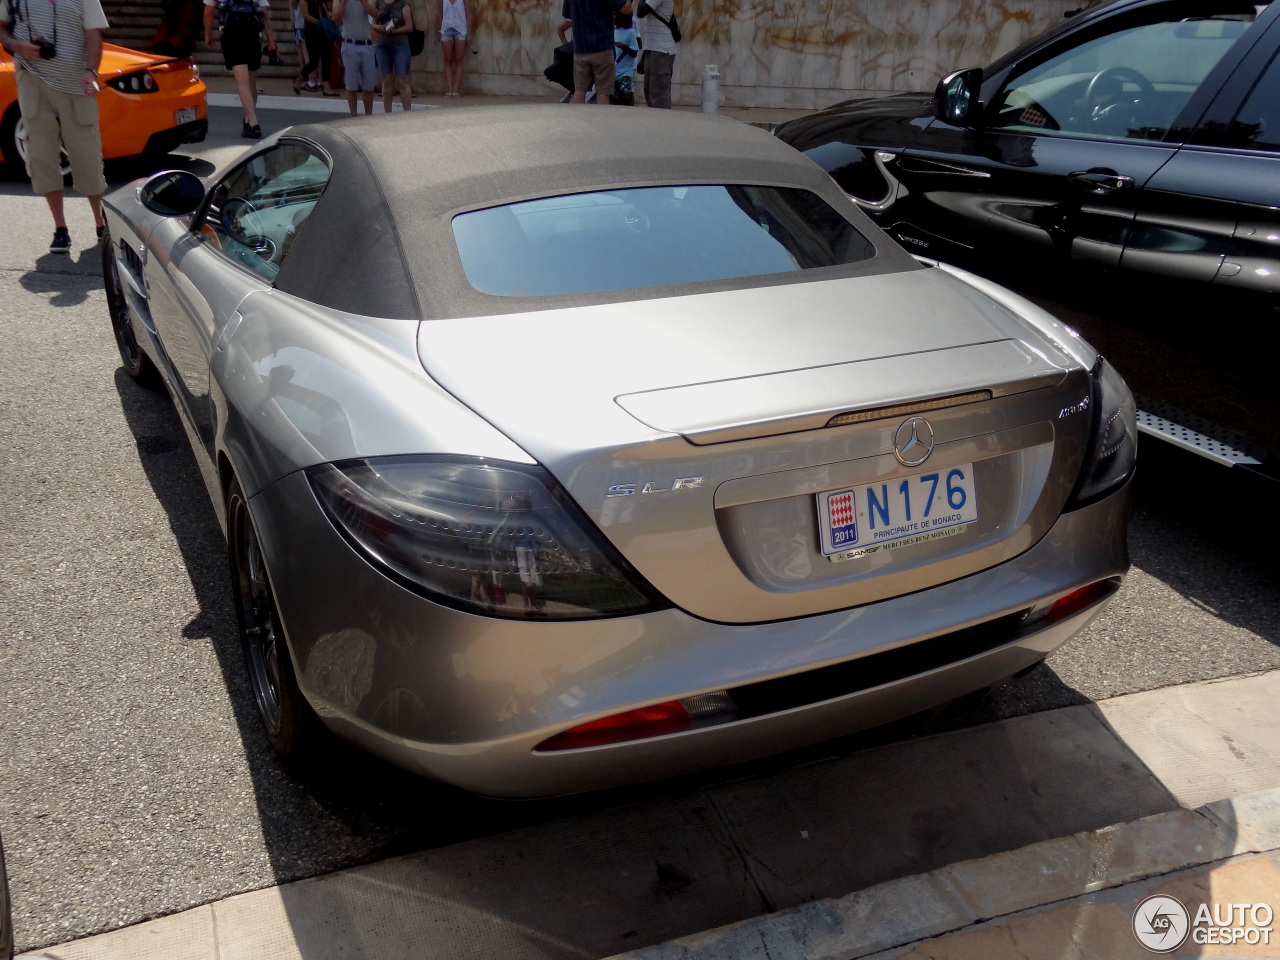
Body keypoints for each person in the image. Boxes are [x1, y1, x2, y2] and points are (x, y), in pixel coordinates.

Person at [0, 0, 109, 252]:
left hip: (76, 85)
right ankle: (60, 229)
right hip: (32, 82)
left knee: (87, 154)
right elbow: (2, 29)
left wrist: (91, 71)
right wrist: (18, 46)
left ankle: (101, 224)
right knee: (41, 155)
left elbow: (93, 34)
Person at [203, 0, 277, 137]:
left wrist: (208, 34)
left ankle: (253, 122)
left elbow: (209, 11)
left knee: (242, 81)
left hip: (232, 35)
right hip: (253, 35)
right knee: (251, 81)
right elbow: (264, 13)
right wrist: (271, 41)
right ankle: (249, 119)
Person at [561, 0, 629, 105]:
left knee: (579, 90)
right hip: (603, 47)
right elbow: (626, 9)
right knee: (602, 92)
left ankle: (576, 119)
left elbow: (567, 14)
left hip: (580, 48)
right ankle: (601, 121)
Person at [336, 0, 377, 115]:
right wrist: (343, 3)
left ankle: (368, 116)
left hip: (367, 44)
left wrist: (363, 2)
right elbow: (335, 18)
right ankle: (354, 116)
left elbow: (375, 14)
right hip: (349, 44)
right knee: (351, 85)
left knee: (369, 86)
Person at [373, 0, 412, 112]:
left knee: (403, 80)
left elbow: (409, 27)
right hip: (383, 44)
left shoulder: (403, 3)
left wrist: (393, 31)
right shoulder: (378, 2)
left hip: (400, 44)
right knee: (386, 81)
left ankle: (407, 113)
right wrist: (379, 27)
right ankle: (387, 114)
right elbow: (373, 23)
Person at [635, 0, 675, 108]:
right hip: (653, 48)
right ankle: (656, 123)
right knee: (650, 94)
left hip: (662, 49)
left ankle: (664, 123)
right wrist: (645, 53)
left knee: (659, 97)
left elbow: (640, 11)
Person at [294, 0, 334, 95]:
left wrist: (328, 16)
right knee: (313, 61)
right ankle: (299, 80)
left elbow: (325, 10)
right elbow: (306, 16)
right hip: (311, 31)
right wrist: (319, 22)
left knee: (326, 58)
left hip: (323, 31)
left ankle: (326, 87)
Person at [438, 0, 472, 97]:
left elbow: (469, 14)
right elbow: (439, 13)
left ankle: (455, 89)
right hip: (446, 29)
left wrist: (469, 34)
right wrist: (439, 29)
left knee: (459, 59)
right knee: (447, 59)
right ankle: (449, 89)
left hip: (461, 29)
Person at [612, 7, 636, 105]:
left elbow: (634, 53)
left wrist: (624, 47)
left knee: (625, 96)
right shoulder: (613, 32)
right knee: (614, 99)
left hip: (626, 71)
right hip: (614, 71)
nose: (613, 17)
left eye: (615, 15)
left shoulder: (631, 32)